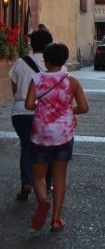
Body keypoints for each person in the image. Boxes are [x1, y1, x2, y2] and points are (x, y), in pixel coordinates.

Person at [25, 43, 89, 231]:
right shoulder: (72, 81)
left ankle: (43, 201)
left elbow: (29, 105)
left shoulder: (36, 79)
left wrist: (42, 105)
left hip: (41, 135)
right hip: (64, 135)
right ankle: (56, 219)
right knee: (60, 175)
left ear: (46, 60)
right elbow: (84, 107)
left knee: (38, 177)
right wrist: (68, 110)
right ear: (63, 60)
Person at [10, 29, 54, 201]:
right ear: (49, 45)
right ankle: (48, 183)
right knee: (48, 148)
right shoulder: (53, 64)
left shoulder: (21, 62)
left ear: (31, 44)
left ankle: (26, 183)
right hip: (45, 111)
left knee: (26, 147)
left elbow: (14, 88)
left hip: (21, 112)